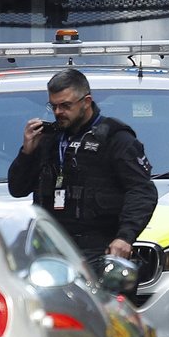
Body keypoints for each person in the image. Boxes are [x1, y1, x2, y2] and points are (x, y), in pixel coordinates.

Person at [8, 68, 158, 264]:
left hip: (99, 249)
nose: (58, 112)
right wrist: (27, 153)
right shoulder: (47, 138)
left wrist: (125, 237)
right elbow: (17, 189)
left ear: (86, 102)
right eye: (53, 106)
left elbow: (141, 190)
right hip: (50, 249)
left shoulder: (115, 138)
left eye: (65, 105)